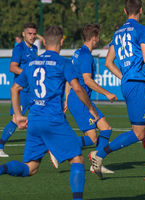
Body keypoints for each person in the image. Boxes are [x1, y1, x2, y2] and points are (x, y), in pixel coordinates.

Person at [0, 25, 99, 200]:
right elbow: (77, 88)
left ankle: (2, 168)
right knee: (77, 159)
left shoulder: (32, 63)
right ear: (62, 41)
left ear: (44, 41)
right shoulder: (63, 62)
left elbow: (15, 88)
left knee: (30, 168)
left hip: (35, 121)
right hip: (54, 120)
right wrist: (91, 108)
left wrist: (18, 115)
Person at [89, 0, 145, 181]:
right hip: (136, 85)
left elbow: (109, 62)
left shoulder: (117, 33)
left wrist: (125, 75)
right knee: (139, 133)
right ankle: (99, 154)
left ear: (125, 11)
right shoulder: (141, 30)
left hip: (136, 83)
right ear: (141, 10)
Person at [66, 24, 118, 174]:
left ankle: (97, 163)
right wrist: (107, 93)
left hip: (79, 99)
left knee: (106, 129)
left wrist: (66, 99)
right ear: (94, 38)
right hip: (80, 100)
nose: (99, 39)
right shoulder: (86, 55)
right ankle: (59, 146)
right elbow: (87, 81)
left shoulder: (77, 53)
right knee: (93, 139)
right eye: (98, 37)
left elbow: (70, 78)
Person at [0, 23, 38, 157]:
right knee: (16, 119)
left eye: (34, 34)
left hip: (32, 91)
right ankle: (0, 146)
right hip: (21, 92)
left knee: (38, 116)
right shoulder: (19, 49)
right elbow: (12, 67)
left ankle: (43, 147)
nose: (32, 36)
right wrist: (28, 74)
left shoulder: (35, 49)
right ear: (24, 34)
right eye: (30, 34)